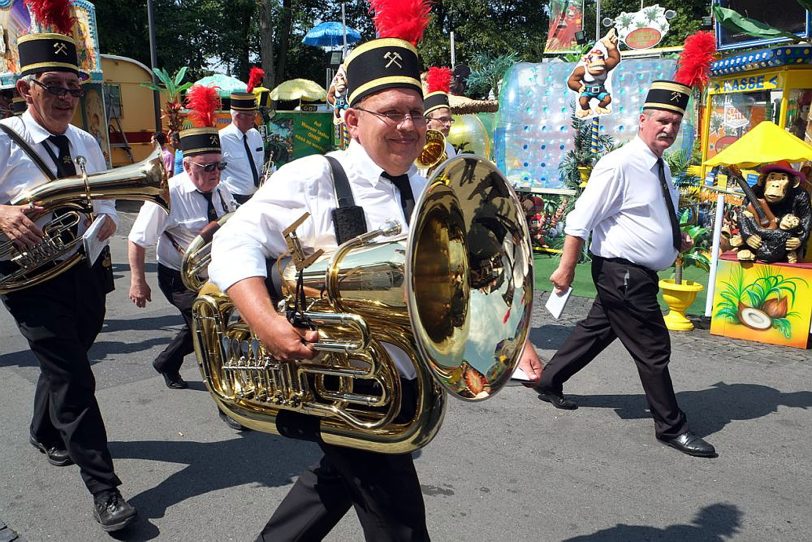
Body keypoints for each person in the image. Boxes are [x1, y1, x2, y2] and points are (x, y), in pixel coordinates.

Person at [534, 79, 717, 459]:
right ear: (642, 120)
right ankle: (671, 427)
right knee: (653, 348)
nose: (668, 128)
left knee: (596, 332)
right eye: (662, 120)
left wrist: (674, 240)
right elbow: (580, 219)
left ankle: (548, 380)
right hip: (624, 274)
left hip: (633, 274)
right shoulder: (619, 164)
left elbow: (648, 214)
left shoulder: (658, 166)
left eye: (675, 123)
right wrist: (566, 268)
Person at [0, 31, 137, 531]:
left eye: (74, 88)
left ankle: (43, 430)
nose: (65, 97)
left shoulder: (84, 142)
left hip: (83, 267)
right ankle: (106, 489)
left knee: (67, 359)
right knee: (75, 378)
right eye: (53, 85)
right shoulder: (2, 137)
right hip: (29, 280)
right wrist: (1, 213)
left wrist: (102, 222)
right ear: (25, 88)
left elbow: (102, 201)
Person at [129, 90, 237, 391]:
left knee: (203, 327)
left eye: (220, 165)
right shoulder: (167, 194)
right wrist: (138, 282)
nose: (216, 173)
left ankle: (166, 361)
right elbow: (138, 240)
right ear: (187, 166)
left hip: (215, 273)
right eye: (208, 167)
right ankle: (225, 392)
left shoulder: (221, 187)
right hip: (179, 278)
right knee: (210, 329)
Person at [219, 92, 264, 204]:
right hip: (233, 199)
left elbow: (259, 163)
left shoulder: (255, 135)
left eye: (255, 113)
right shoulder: (222, 138)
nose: (255, 117)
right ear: (238, 116)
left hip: (256, 197)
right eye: (251, 114)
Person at [422, 66, 457, 162]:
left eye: (450, 120)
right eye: (443, 119)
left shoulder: (449, 148)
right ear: (427, 121)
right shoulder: (414, 148)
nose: (448, 124)